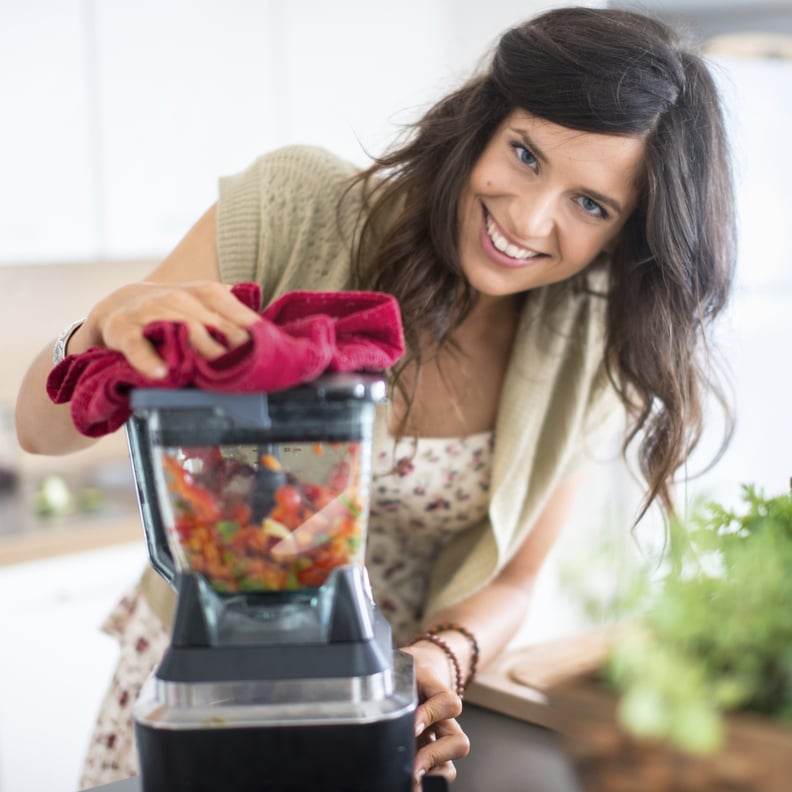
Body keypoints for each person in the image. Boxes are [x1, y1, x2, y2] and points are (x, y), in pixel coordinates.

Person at [16, 6, 736, 789]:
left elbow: (517, 579)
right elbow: (40, 431)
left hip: (380, 711)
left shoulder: (590, 349)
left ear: (627, 235)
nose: (529, 219)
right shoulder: (299, 211)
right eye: (525, 155)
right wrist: (102, 326)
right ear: (486, 124)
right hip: (204, 691)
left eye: (590, 205)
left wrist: (446, 655)